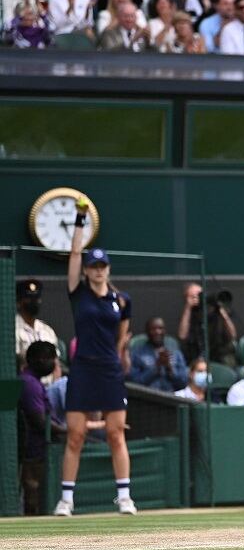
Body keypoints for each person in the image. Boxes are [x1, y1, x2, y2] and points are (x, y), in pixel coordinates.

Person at [57, 199, 135, 517]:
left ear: (108, 270)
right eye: (93, 266)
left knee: (116, 433)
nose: (98, 270)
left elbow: (122, 338)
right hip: (83, 369)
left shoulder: (122, 300)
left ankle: (125, 497)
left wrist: (117, 361)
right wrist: (80, 219)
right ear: (87, 270)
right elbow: (75, 253)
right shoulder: (79, 294)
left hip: (109, 371)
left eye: (102, 266)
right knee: (76, 434)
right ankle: (66, 500)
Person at [18, 341, 56, 515]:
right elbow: (40, 422)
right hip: (34, 453)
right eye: (49, 359)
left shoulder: (34, 382)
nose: (52, 364)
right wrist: (69, 430)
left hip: (39, 450)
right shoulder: (30, 384)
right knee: (33, 499)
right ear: (38, 360)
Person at [177, 283, 237, 368]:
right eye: (195, 296)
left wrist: (221, 311)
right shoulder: (189, 314)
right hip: (196, 357)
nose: (200, 297)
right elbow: (182, 336)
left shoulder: (215, 312)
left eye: (201, 293)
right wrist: (188, 307)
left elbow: (233, 335)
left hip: (219, 356)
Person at [128, 317, 188, 393]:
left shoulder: (176, 353)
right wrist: (156, 367)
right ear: (147, 331)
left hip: (171, 399)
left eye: (160, 328)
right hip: (146, 398)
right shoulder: (137, 353)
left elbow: (183, 383)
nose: (157, 332)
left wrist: (170, 369)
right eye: (153, 329)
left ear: (165, 331)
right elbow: (134, 383)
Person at [15, 279, 58, 365]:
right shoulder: (12, 329)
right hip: (24, 376)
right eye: (29, 299)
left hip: (49, 377)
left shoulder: (47, 330)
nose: (34, 302)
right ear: (19, 302)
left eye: (36, 298)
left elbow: (56, 361)